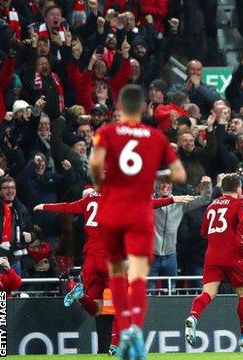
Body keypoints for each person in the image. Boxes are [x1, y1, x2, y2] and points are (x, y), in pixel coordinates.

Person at [89, 84, 186, 359]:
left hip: (113, 211)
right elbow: (178, 174)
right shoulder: (155, 136)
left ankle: (123, 326)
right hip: (140, 212)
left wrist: (101, 183)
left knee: (118, 272)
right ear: (144, 107)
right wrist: (153, 175)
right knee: (139, 275)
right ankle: (133, 329)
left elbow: (95, 166)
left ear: (119, 106)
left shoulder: (105, 132)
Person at [34, 185, 183, 355]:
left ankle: (79, 294)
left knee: (97, 309)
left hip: (90, 260)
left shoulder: (88, 199)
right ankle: (114, 343)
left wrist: (44, 206)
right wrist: (171, 199)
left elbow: (67, 207)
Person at [184, 174, 243, 350]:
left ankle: (193, 316)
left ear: (222, 188)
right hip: (233, 254)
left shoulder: (211, 205)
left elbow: (204, 232)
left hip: (212, 255)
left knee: (208, 292)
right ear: (238, 188)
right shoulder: (240, 204)